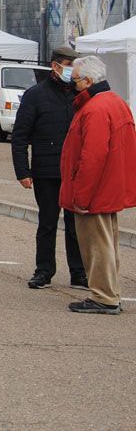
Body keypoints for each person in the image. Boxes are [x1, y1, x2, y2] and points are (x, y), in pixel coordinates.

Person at [59, 55, 136, 314]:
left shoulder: (96, 108)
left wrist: (81, 196)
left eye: (77, 80)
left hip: (96, 191)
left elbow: (92, 157)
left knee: (96, 245)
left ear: (89, 81)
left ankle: (104, 296)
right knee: (107, 243)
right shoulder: (115, 103)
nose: (73, 84)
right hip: (109, 187)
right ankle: (109, 292)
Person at [11, 46, 86, 291]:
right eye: (69, 65)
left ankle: (79, 272)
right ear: (56, 66)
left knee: (76, 225)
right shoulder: (35, 95)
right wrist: (23, 170)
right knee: (48, 222)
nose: (73, 71)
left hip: (74, 172)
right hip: (46, 171)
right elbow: (20, 135)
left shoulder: (80, 95)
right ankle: (44, 270)